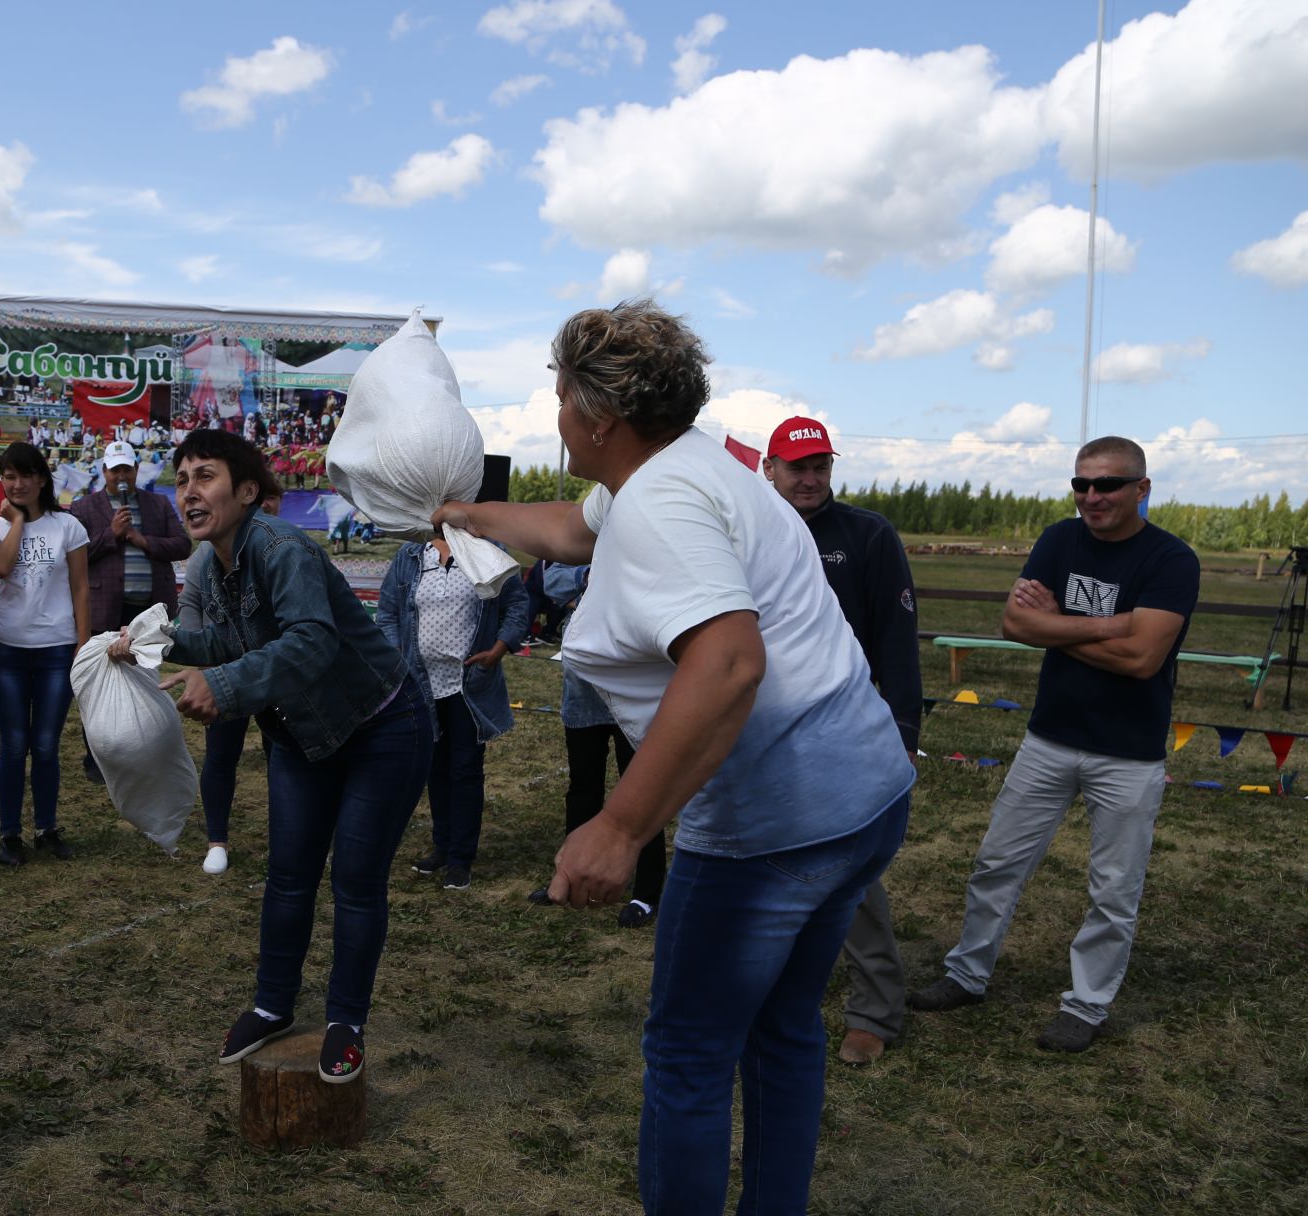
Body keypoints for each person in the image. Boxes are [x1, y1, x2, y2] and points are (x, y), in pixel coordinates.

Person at [432, 299, 913, 1215]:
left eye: (559, 390)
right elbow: (576, 531)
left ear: (600, 416)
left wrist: (621, 825)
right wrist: (474, 514)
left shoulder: (657, 501)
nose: (555, 408)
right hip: (865, 790)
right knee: (781, 1031)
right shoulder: (679, 467)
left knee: (690, 1057)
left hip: (776, 822)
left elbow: (730, 661)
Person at [114, 430, 430, 1086]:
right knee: (288, 877)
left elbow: (309, 643)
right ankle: (272, 1005)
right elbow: (227, 638)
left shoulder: (282, 548)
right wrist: (152, 642)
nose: (190, 491)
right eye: (182, 479)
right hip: (302, 739)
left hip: (382, 731)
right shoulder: (223, 563)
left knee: (355, 883)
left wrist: (224, 686)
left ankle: (346, 1022)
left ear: (248, 491)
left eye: (206, 476)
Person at [909, 437, 1199, 1054]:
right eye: (1081, 484)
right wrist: (1114, 623)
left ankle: (1086, 1006)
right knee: (996, 863)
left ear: (1141, 489)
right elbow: (1015, 625)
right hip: (1049, 739)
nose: (1091, 496)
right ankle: (967, 973)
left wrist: (1057, 626)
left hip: (1129, 754)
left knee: (1114, 890)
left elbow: (1144, 658)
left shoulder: (1172, 560)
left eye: (1108, 485)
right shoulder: (1057, 540)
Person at [762, 416, 922, 1067]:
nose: (809, 478)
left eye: (819, 466)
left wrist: (905, 732)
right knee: (757, 861)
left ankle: (876, 1010)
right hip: (757, 727)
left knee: (849, 871)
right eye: (796, 466)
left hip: (843, 730)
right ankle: (764, 984)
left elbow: (897, 644)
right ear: (769, 469)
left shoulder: (867, 535)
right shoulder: (746, 532)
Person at [380, 535, 529, 891]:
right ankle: (442, 846)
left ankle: (461, 858)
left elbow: (518, 606)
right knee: (435, 767)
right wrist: (396, 656)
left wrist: (498, 649)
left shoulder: (490, 551)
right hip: (420, 683)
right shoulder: (411, 556)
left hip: (468, 684)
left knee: (464, 769)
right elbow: (388, 612)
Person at [526, 565, 670, 929]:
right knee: (582, 791)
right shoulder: (586, 534)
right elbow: (551, 581)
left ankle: (647, 893)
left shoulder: (646, 535)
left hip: (632, 692)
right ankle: (572, 877)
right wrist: (590, 573)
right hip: (583, 695)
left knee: (641, 794)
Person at [0, 441, 88, 866]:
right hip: (7, 651)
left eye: (26, 475)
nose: (18, 483)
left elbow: (80, 588)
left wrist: (82, 645)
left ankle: (46, 828)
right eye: (9, 476)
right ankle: (10, 835)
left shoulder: (69, 527)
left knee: (45, 745)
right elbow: (1, 567)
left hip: (57, 651)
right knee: (13, 744)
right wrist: (18, 522)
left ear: (42, 479)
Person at [71, 439, 190, 782]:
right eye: (115, 469)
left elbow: (182, 544)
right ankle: (97, 755)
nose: (121, 475)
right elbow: (76, 557)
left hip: (145, 611)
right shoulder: (84, 508)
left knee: (143, 680)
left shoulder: (157, 504)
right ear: (104, 471)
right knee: (99, 684)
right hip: (103, 607)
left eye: (127, 469)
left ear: (136, 471)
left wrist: (142, 541)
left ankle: (142, 747)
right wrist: (111, 535)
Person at [179, 478, 282, 876]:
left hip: (273, 672)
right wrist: (200, 659)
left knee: (284, 757)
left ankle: (287, 837)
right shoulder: (207, 556)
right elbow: (190, 602)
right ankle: (217, 841)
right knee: (222, 755)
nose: (267, 509)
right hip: (224, 673)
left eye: (274, 502)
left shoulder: (279, 551)